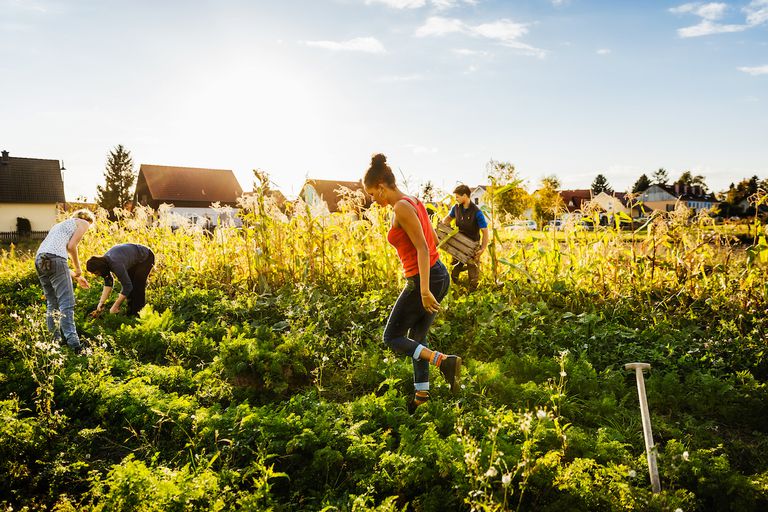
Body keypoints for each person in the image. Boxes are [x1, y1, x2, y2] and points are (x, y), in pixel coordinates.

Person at [364, 153, 462, 412]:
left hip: (425, 278)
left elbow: (421, 247)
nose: (374, 201)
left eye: (373, 194)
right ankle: (421, 398)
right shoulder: (413, 201)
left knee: (392, 337)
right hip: (436, 274)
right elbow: (426, 244)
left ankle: (444, 362)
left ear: (382, 188)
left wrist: (424, 289)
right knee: (417, 338)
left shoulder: (401, 207)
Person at [34, 209, 95, 354]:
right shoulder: (84, 222)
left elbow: (54, 261)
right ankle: (75, 346)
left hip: (40, 259)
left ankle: (54, 344)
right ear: (88, 219)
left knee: (52, 302)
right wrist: (79, 269)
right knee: (66, 302)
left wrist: (76, 276)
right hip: (55, 259)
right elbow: (71, 246)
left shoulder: (59, 226)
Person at [441, 184, 489, 292]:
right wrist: (442, 224)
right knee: (455, 269)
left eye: (457, 197)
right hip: (459, 242)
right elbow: (448, 219)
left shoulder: (477, 212)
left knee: (473, 270)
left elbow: (485, 232)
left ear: (465, 196)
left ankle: (472, 292)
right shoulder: (456, 208)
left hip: (472, 244)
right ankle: (457, 289)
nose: (456, 199)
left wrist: (483, 248)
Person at [86, 243, 155, 317]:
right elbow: (108, 283)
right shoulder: (105, 263)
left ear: (101, 268)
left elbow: (127, 287)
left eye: (96, 273)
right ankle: (130, 314)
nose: (97, 275)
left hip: (145, 257)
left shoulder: (116, 265)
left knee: (137, 287)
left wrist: (115, 306)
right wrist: (101, 302)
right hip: (132, 261)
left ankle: (139, 315)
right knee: (131, 288)